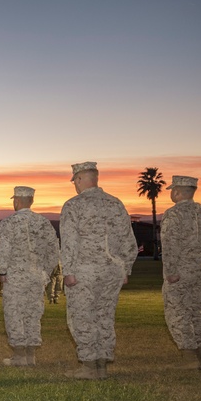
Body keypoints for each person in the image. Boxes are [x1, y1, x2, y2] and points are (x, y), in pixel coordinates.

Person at [60, 161, 138, 380]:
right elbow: (129, 242)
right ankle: (102, 364)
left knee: (82, 316)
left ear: (82, 179)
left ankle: (88, 365)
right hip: (112, 271)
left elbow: (69, 242)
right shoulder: (116, 204)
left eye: (75, 180)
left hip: (84, 271)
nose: (75, 184)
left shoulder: (73, 205)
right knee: (105, 316)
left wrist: (68, 270)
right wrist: (125, 269)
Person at [0, 186, 60, 367]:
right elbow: (54, 251)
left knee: (14, 313)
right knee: (33, 314)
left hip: (15, 276)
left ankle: (18, 356)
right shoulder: (43, 223)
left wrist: (2, 271)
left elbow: (4, 250)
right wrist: (45, 273)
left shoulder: (9, 223)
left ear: (16, 201)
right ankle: (31, 355)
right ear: (31, 201)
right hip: (36, 276)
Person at [160, 175, 201, 370]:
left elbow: (170, 245)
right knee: (198, 311)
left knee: (177, 312)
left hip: (181, 272)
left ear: (177, 191)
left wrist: (170, 271)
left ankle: (189, 357)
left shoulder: (173, 214)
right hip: (200, 272)